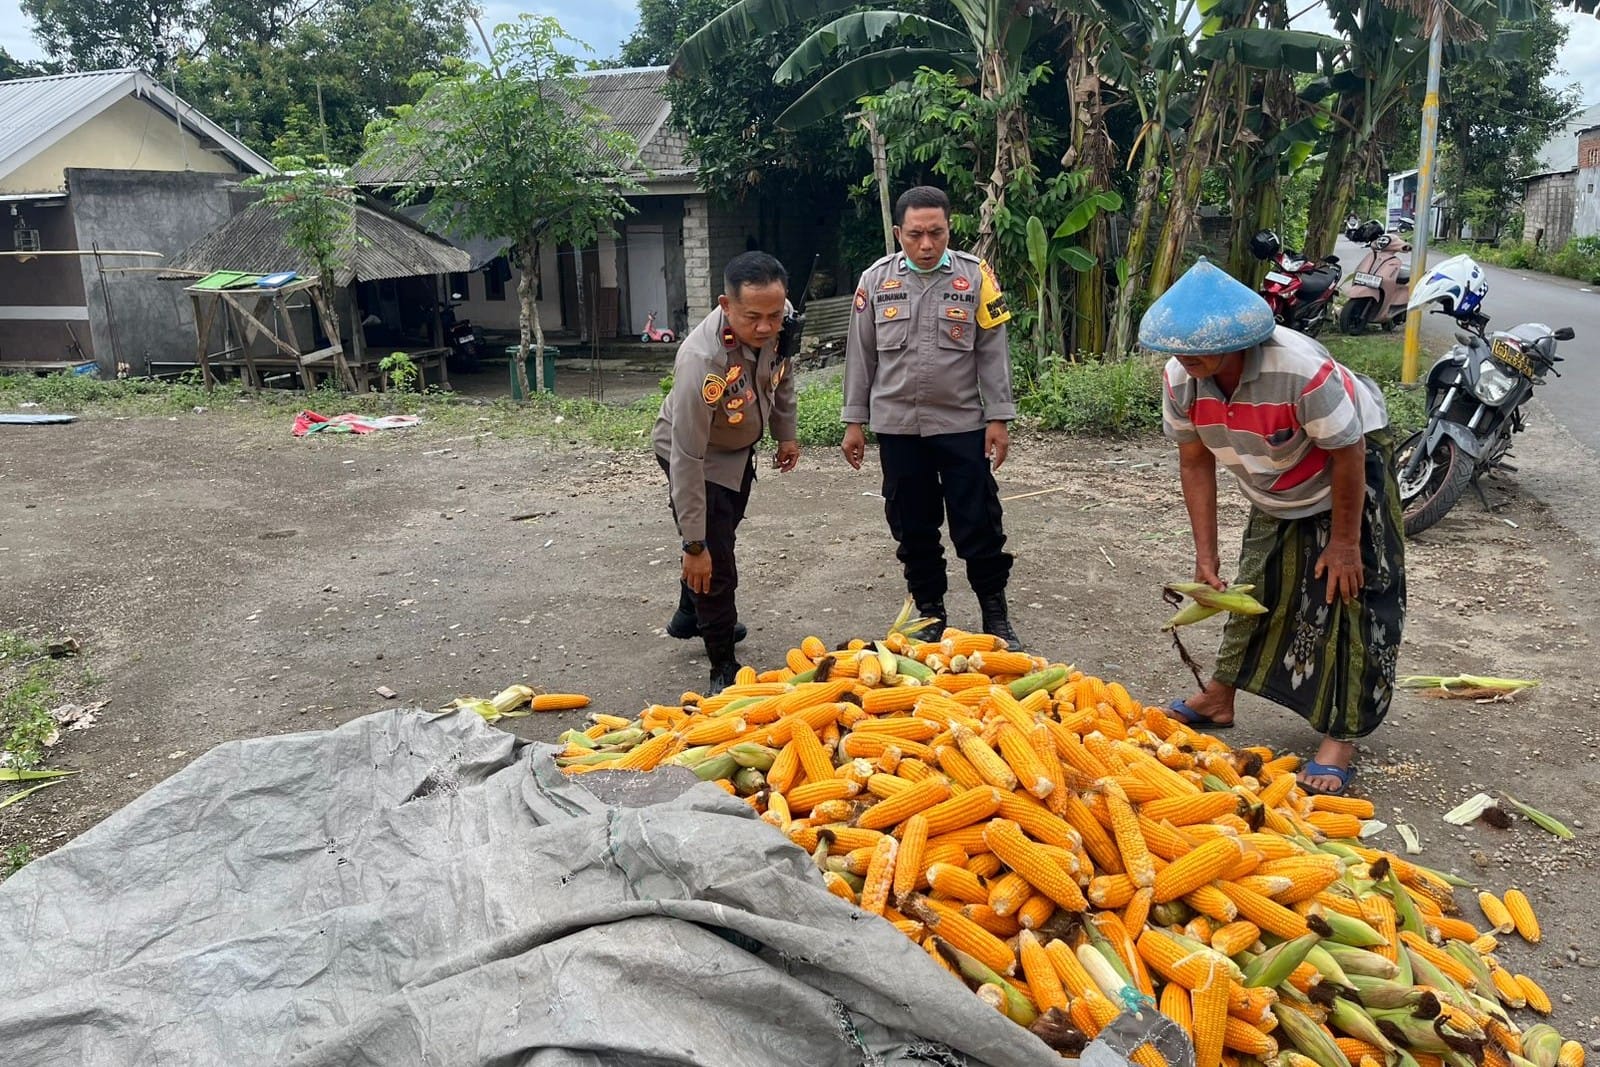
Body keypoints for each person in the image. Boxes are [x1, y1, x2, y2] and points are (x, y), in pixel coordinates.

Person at [1141, 258, 1405, 796]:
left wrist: (1347, 543)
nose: (1185, 359)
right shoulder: (1182, 378)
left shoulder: (1300, 368)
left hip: (1348, 470)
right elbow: (1195, 462)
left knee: (1348, 592)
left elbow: (1348, 453)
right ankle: (1219, 696)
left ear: (1242, 341)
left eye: (1198, 349)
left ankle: (1341, 735)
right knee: (1253, 586)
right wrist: (1204, 555)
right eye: (1178, 349)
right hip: (1275, 482)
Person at [840, 185, 1020, 648]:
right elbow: (860, 356)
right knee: (913, 525)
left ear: (948, 228)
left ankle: (994, 615)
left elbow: (992, 352)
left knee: (978, 522)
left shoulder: (976, 276)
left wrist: (998, 418)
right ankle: (930, 615)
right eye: (915, 234)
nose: (926, 245)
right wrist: (854, 421)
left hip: (962, 425)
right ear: (899, 232)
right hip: (898, 429)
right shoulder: (875, 281)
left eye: (936, 233)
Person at [654, 251, 800, 695]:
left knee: (724, 536)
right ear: (724, 304)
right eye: (752, 317)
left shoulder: (782, 318)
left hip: (738, 448)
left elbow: (783, 374)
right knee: (714, 560)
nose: (765, 327)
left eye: (774, 315)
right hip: (696, 454)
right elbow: (687, 457)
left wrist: (785, 433)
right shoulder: (702, 361)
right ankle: (722, 665)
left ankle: (688, 614)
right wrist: (693, 544)